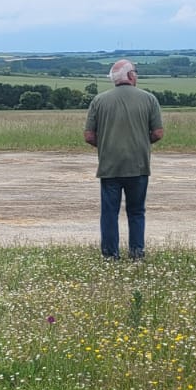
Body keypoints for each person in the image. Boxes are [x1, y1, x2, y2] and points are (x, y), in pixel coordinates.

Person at [84, 59, 165, 260]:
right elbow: (158, 133)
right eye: (135, 72)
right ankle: (137, 253)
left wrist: (106, 145)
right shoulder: (149, 99)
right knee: (136, 211)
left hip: (109, 166)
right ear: (130, 75)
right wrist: (141, 142)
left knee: (109, 213)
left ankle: (110, 254)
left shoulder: (99, 101)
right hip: (138, 165)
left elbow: (89, 136)